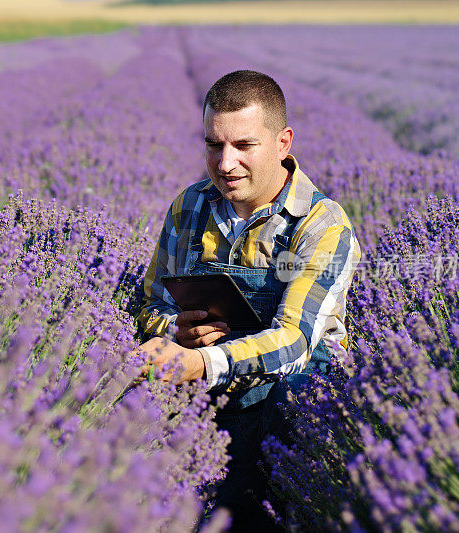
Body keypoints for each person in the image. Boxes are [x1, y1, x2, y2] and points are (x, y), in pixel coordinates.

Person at [135, 71, 361, 530]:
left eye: (244, 145)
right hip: (208, 395)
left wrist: (201, 362)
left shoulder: (321, 226)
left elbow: (295, 342)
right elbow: (151, 305)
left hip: (288, 406)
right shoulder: (190, 207)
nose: (226, 163)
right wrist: (175, 330)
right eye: (214, 145)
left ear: (283, 142)